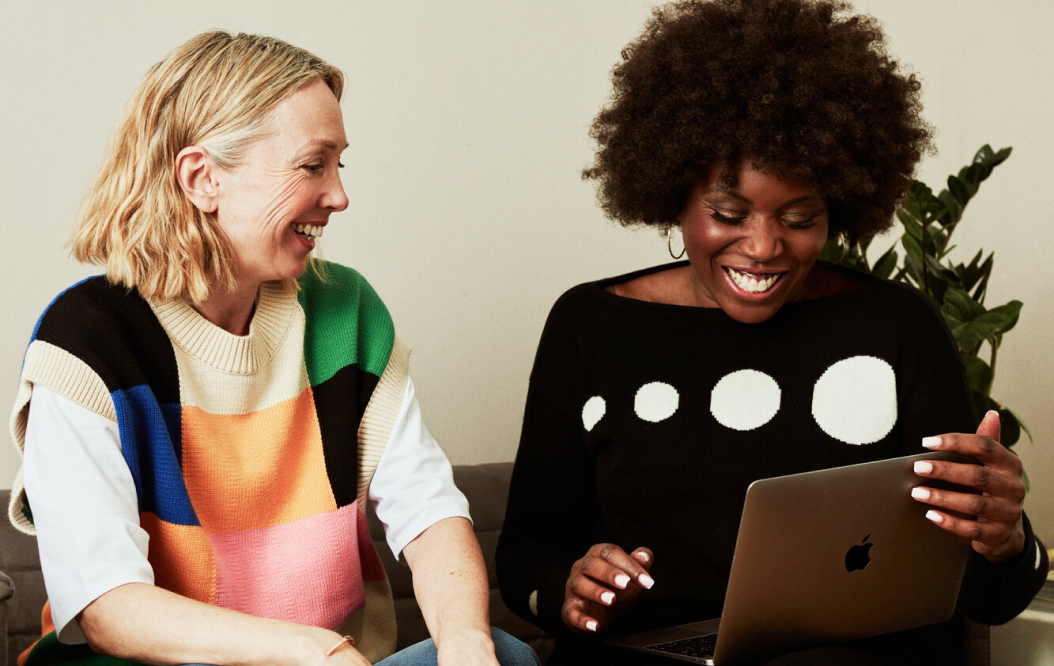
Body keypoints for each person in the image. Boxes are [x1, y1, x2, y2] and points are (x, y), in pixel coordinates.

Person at [495, 1, 1048, 664]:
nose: (763, 247)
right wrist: (570, 590)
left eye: (799, 217)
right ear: (671, 192)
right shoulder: (590, 326)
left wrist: (1006, 538)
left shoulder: (898, 328)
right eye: (728, 213)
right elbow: (525, 556)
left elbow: (989, 599)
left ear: (838, 207)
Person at [7, 31, 539, 666]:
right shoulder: (86, 338)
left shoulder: (347, 310)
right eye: (313, 164)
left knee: (505, 652)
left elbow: (429, 512)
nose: (339, 195)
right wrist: (313, 651)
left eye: (341, 164)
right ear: (203, 178)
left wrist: (467, 642)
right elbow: (107, 606)